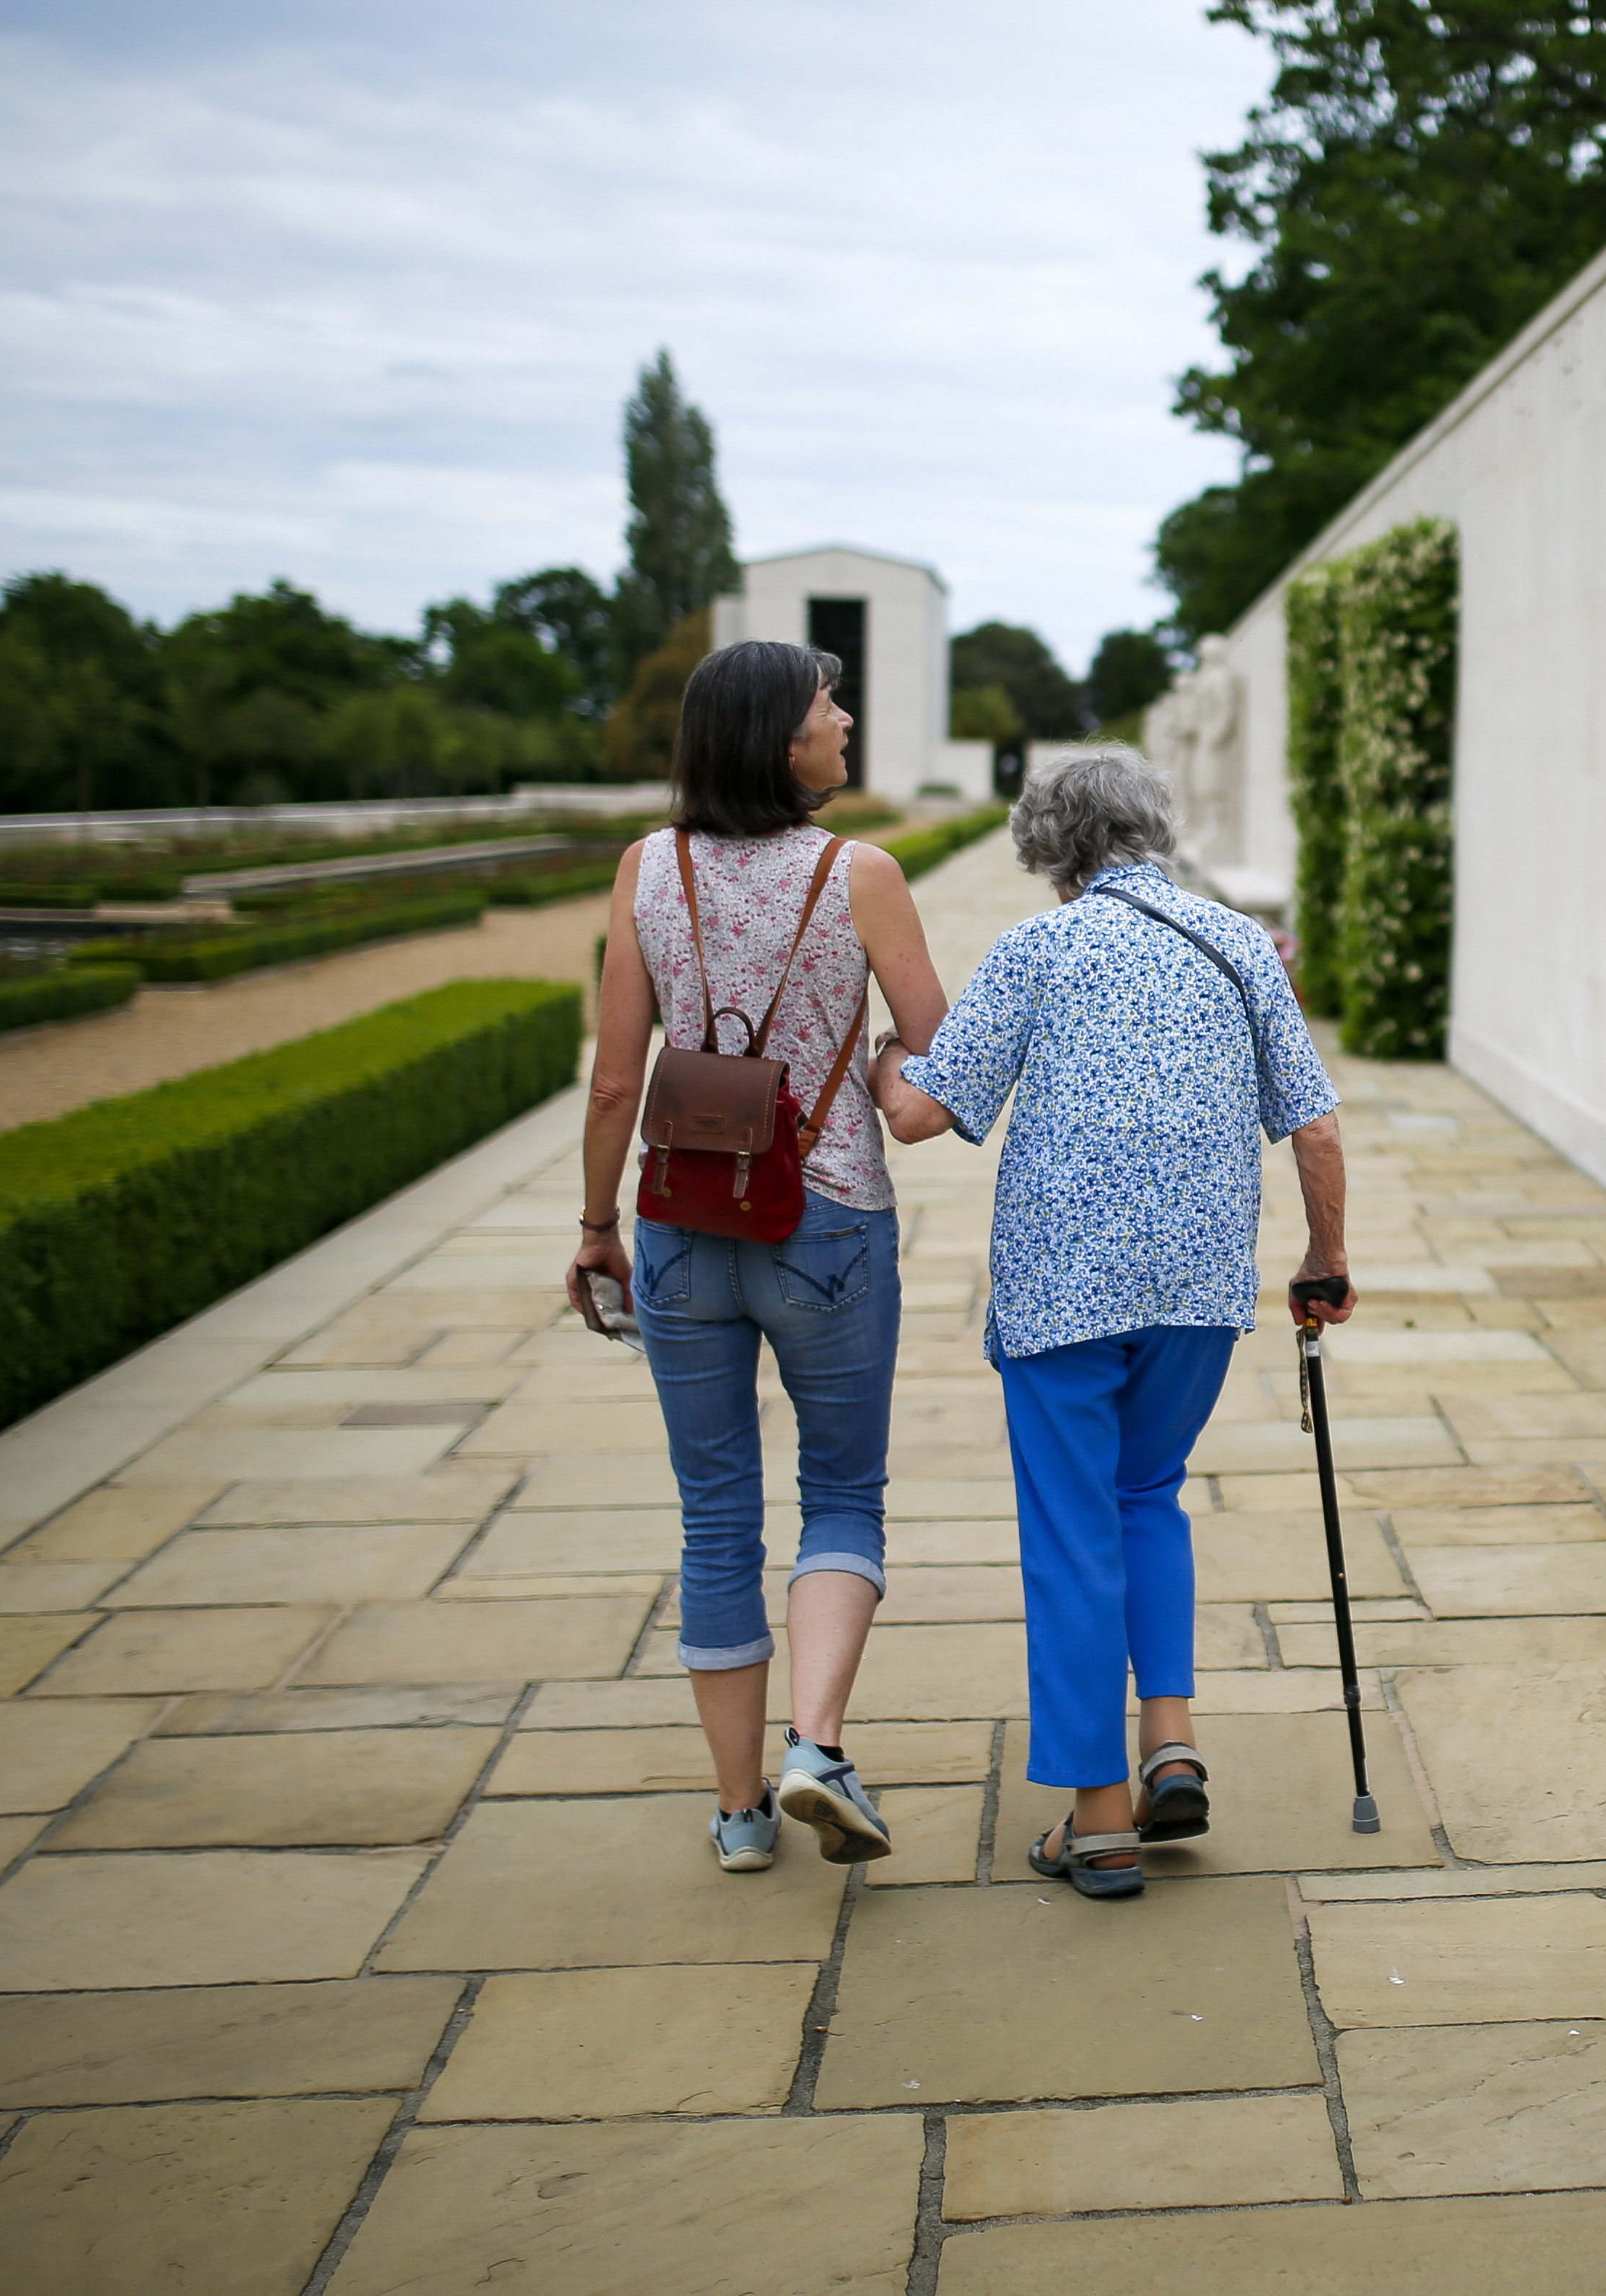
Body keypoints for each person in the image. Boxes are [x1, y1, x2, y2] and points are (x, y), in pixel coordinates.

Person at [872, 748, 1350, 1897]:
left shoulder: (1039, 946)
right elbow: (1318, 1130)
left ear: (1051, 848)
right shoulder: (1238, 944)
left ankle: (1097, 1823)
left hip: (1059, 1291)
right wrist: (1323, 1259)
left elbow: (923, 1117)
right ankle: (1170, 1740)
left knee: (1072, 1529)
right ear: (1156, 830)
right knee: (1149, 1497)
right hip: (1197, 1287)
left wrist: (891, 1055)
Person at [567, 639, 952, 1874]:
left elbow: (617, 1075)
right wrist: (886, 1060)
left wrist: (596, 1228)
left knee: (714, 1515)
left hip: (682, 1222)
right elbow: (937, 1058)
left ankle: (740, 1817)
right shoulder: (862, 874)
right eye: (827, 704)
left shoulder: (647, 867)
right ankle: (817, 1749)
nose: (844, 719)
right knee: (842, 1496)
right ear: (781, 739)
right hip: (828, 1216)